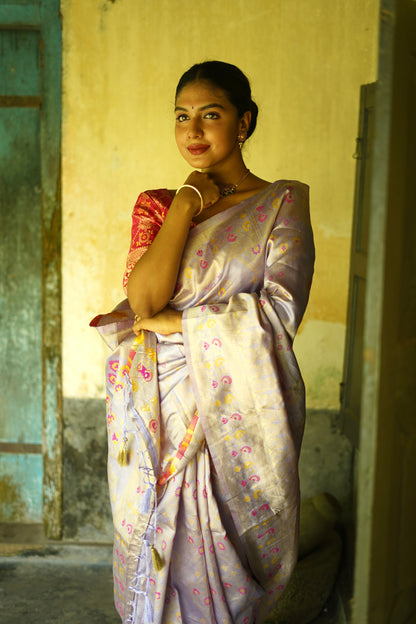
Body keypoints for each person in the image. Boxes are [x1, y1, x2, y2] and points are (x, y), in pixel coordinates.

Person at [91, 60, 315, 624]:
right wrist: (187, 204)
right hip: (155, 405)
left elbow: (281, 312)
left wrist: (183, 325)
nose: (193, 130)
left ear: (243, 122)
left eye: (210, 115)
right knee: (154, 539)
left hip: (233, 408)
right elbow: (142, 301)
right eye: (181, 117)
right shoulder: (160, 205)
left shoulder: (281, 204)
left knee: (215, 553)